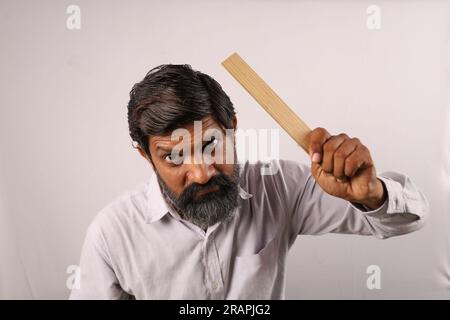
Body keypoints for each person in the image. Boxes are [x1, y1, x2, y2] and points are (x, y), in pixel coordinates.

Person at [70, 64, 429, 299]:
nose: (202, 173)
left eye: (212, 145)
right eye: (173, 157)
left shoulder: (280, 186)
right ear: (146, 156)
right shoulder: (112, 233)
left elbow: (410, 219)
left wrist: (370, 195)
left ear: (233, 129)